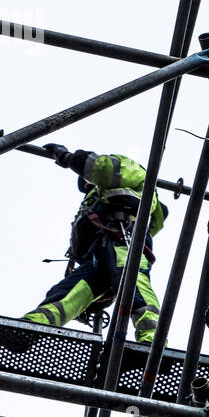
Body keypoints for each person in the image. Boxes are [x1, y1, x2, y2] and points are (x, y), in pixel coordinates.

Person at [23, 145, 166, 343]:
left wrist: (68, 157)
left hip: (122, 239)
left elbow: (103, 168)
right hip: (99, 253)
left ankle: (151, 341)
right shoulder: (99, 197)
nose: (88, 184)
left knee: (131, 281)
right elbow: (158, 222)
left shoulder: (132, 171)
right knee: (69, 292)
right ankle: (30, 327)